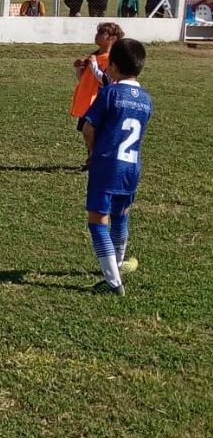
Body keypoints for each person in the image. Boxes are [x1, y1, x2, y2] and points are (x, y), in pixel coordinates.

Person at [82, 38, 152, 295]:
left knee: (98, 221)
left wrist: (92, 152)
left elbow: (89, 127)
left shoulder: (110, 92)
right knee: (121, 215)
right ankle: (118, 263)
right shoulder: (146, 99)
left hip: (107, 164)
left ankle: (113, 282)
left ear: (111, 66)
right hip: (132, 167)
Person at [70, 22, 124, 169]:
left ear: (112, 38)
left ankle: (97, 159)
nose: (97, 35)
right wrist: (80, 68)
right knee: (85, 130)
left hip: (99, 100)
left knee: (95, 131)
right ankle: (92, 157)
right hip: (87, 99)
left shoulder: (111, 59)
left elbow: (106, 81)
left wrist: (94, 65)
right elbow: (84, 79)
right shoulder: (94, 55)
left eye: (102, 33)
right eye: (98, 32)